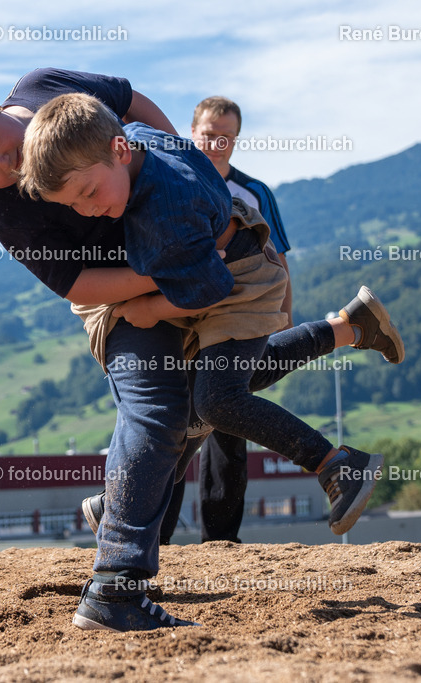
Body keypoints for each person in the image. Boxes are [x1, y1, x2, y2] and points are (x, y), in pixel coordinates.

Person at [0, 70, 400, 632]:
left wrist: (185, 177)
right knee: (162, 405)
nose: (5, 169)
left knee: (218, 389)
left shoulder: (45, 85)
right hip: (124, 291)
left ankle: (127, 500)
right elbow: (78, 286)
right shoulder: (6, 211)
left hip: (189, 246)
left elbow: (133, 103)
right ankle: (116, 585)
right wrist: (157, 288)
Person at [161, 96, 294, 544]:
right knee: (171, 422)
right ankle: (155, 534)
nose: (217, 143)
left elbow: (278, 260)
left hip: (238, 319)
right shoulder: (170, 178)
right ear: (191, 132)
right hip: (180, 322)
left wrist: (282, 315)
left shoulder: (255, 192)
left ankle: (221, 540)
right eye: (209, 134)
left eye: (227, 137)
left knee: (228, 426)